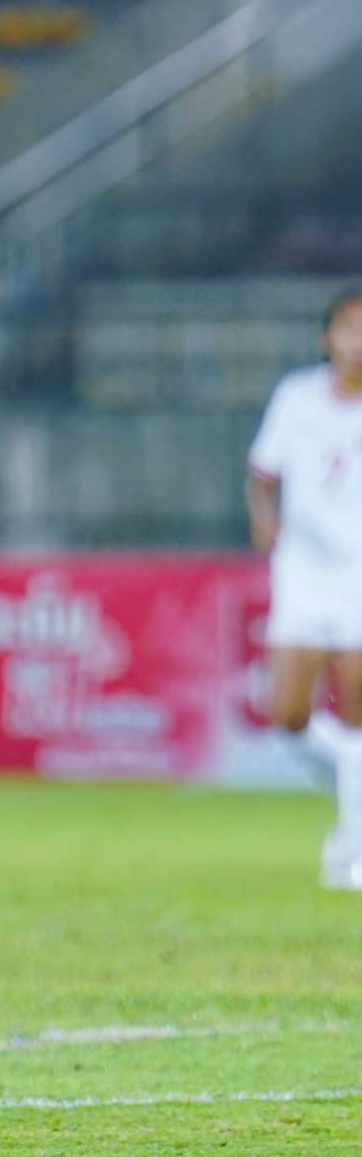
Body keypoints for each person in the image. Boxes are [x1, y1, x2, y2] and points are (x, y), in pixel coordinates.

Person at [246, 288, 362, 887]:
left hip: (361, 574)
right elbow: (263, 473)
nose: (358, 342)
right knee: (287, 715)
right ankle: (351, 793)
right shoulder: (296, 398)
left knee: (358, 714)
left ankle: (351, 847)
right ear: (328, 339)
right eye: (350, 329)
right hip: (304, 571)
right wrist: (265, 519)